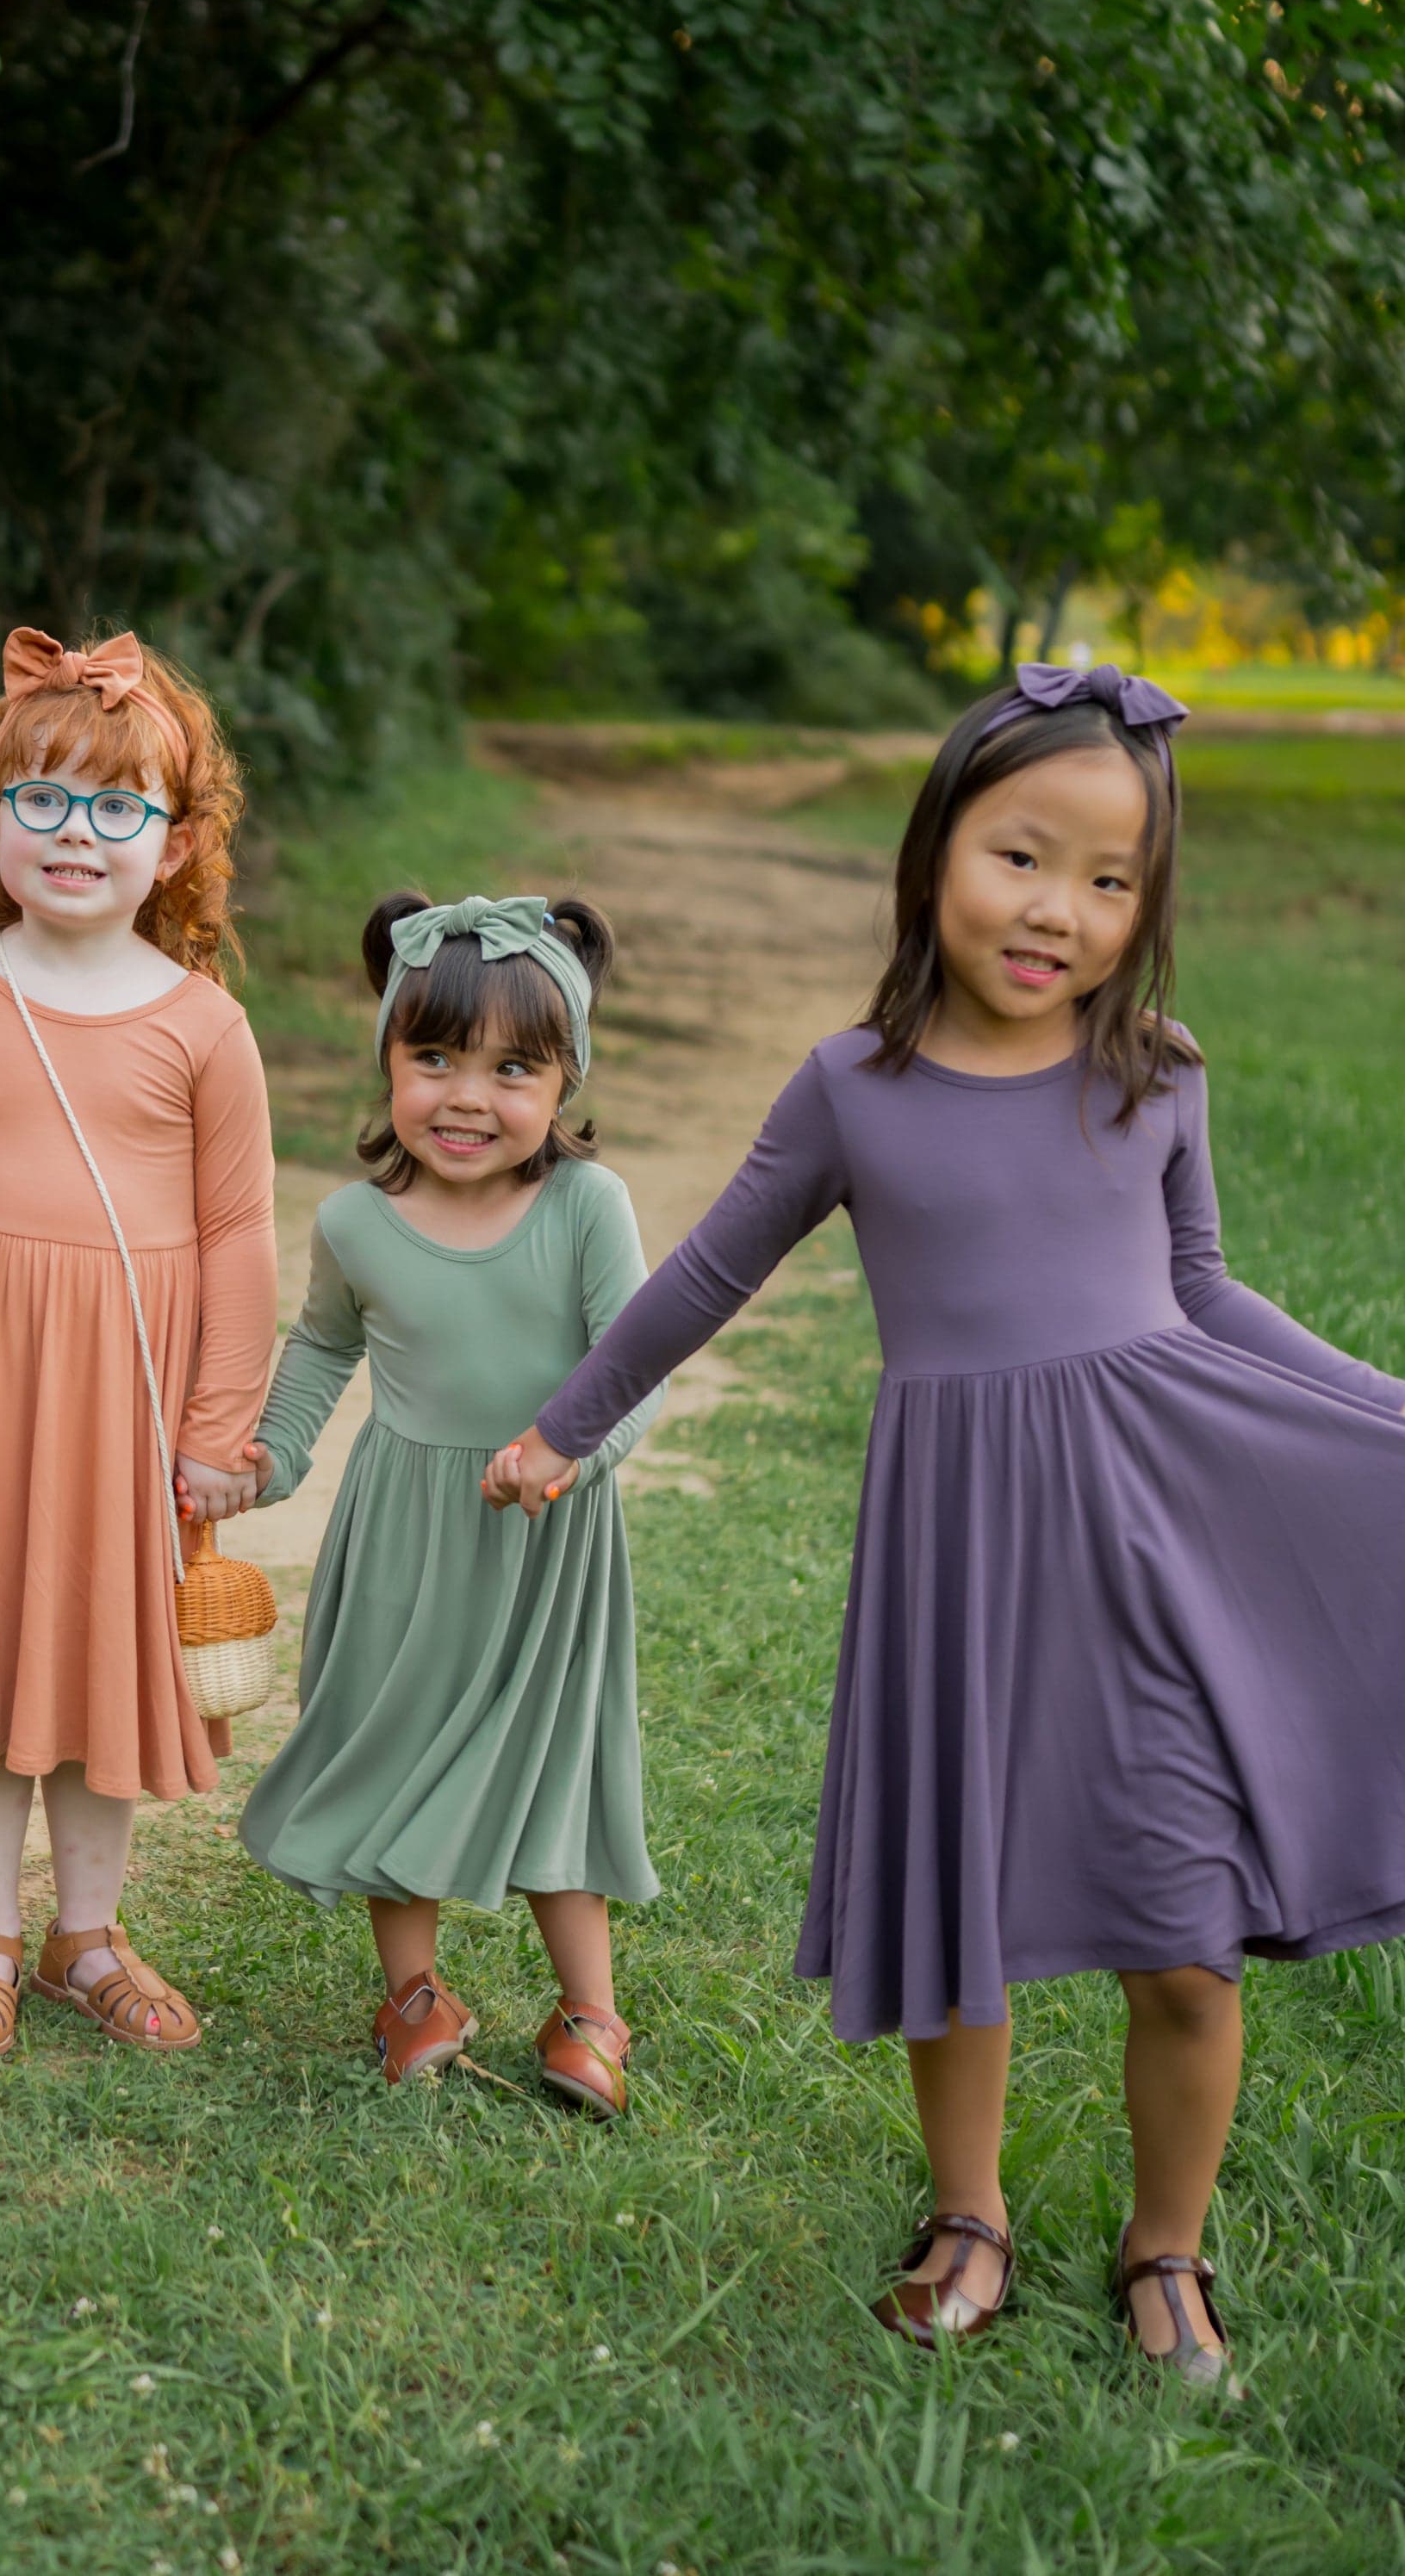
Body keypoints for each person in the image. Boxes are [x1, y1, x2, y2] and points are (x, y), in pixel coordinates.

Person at [487, 665, 1405, 2381]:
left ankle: (1167, 2248)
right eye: (1022, 857)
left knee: (1186, 1940)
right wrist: (567, 1422)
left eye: (1111, 880)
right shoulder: (859, 1086)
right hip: (958, 1562)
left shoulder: (1155, 1074)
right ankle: (968, 2216)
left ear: (1148, 906)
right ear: (935, 857)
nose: (1060, 909)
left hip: (1149, 1559)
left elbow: (1205, 1294)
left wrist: (1384, 1411)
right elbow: (713, 1269)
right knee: (956, 1918)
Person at [0, 627, 276, 2060]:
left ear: (174, 845)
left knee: (100, 1650)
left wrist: (217, 1424)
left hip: (127, 1386)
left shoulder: (206, 1026)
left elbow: (240, 1231)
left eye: (115, 806)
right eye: (42, 798)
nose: (76, 833)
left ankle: (85, 1937)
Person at [243, 891, 662, 2105]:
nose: (467, 1097)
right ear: (388, 1059)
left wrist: (567, 1452)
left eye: (511, 1069)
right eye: (433, 1059)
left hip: (544, 1545)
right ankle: (416, 1997)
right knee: (395, 1743)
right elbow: (324, 1350)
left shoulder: (585, 1208)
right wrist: (272, 1455)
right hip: (404, 1542)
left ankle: (591, 2012)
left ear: (565, 1079)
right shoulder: (356, 1224)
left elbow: (636, 1365)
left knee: (553, 1763)